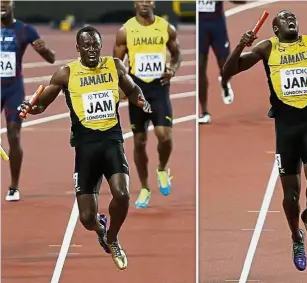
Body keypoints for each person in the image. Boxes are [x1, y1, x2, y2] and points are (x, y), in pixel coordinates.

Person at [19, 25, 152, 270]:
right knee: (86, 218)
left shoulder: (114, 65)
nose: (92, 50)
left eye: (95, 45)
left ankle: (112, 239)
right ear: (78, 48)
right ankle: (101, 228)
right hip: (86, 147)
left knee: (122, 195)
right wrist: (28, 107)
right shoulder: (66, 74)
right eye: (86, 46)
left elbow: (132, 90)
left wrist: (141, 101)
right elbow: (41, 106)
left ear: (101, 45)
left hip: (112, 141)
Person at [221, 10, 307, 271]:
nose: (291, 20)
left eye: (293, 17)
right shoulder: (266, 48)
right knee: (291, 195)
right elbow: (228, 70)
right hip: (285, 129)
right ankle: (296, 236)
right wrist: (242, 44)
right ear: (275, 28)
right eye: (284, 19)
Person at [113, 0, 182, 208]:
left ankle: (161, 168)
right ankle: (144, 187)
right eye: (141, 0)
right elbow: (116, 64)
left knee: (164, 135)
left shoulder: (165, 27)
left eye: (148, 0)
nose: (145, 3)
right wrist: (122, 88)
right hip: (137, 91)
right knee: (139, 142)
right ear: (135, 3)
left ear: (154, 3)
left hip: (158, 88)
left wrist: (172, 69)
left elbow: (177, 54)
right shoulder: (125, 31)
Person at [1, 0, 56, 202]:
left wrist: (44, 50)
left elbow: (51, 58)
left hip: (13, 89)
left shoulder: (24, 30)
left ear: (12, 3)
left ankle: (14, 186)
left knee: (14, 135)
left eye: (5, 1)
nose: (2, 5)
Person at [197, 0, 246, 124]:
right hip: (200, 25)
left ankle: (224, 83)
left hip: (217, 25)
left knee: (225, 66)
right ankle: (204, 112)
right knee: (200, 67)